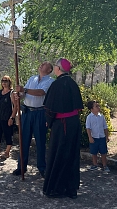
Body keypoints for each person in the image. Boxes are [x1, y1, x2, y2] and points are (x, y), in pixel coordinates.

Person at [43, 58, 83, 199]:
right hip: (74, 124)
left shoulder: (56, 85)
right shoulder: (73, 84)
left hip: (61, 126)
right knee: (72, 155)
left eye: (55, 66)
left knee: (58, 155)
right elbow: (79, 107)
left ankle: (55, 188)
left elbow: (49, 109)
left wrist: (49, 122)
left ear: (58, 68)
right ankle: (71, 189)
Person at [12, 61, 54, 177]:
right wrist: (19, 95)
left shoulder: (50, 81)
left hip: (40, 113)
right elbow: (24, 94)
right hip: (27, 112)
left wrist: (24, 90)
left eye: (45, 64)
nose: (41, 64)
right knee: (23, 140)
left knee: (40, 141)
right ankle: (21, 167)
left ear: (49, 70)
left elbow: (41, 92)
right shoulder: (32, 79)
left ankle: (42, 168)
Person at [86, 100, 110, 172]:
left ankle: (105, 165)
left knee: (103, 152)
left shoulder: (101, 117)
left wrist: (107, 136)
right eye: (96, 106)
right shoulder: (89, 117)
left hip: (101, 137)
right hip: (94, 137)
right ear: (91, 109)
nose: (98, 107)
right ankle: (95, 164)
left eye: (98, 106)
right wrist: (90, 137)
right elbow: (88, 128)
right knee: (94, 152)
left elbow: (105, 127)